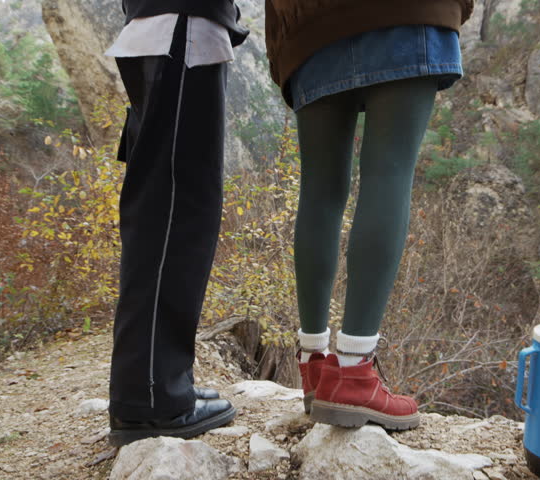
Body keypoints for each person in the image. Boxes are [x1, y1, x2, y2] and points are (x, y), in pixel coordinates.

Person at [265, 0, 473, 429]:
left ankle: (315, 366)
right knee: (388, 174)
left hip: (309, 30)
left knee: (319, 191)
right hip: (405, 16)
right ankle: (356, 372)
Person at [104, 1, 248, 447]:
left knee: (168, 208)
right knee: (175, 212)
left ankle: (158, 382)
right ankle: (152, 398)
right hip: (182, 34)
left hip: (170, 30)